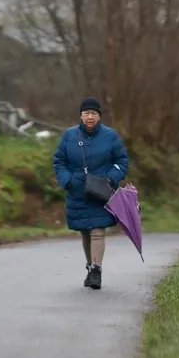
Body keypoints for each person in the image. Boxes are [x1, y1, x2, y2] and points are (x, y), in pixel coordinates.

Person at [52, 97, 129, 290]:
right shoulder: (69, 136)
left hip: (100, 191)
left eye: (94, 113)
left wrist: (110, 178)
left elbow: (122, 161)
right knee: (85, 231)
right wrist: (67, 180)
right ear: (80, 115)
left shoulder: (110, 136)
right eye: (87, 113)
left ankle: (97, 270)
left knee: (97, 230)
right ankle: (90, 266)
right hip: (77, 191)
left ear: (99, 116)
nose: (90, 116)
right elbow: (59, 161)